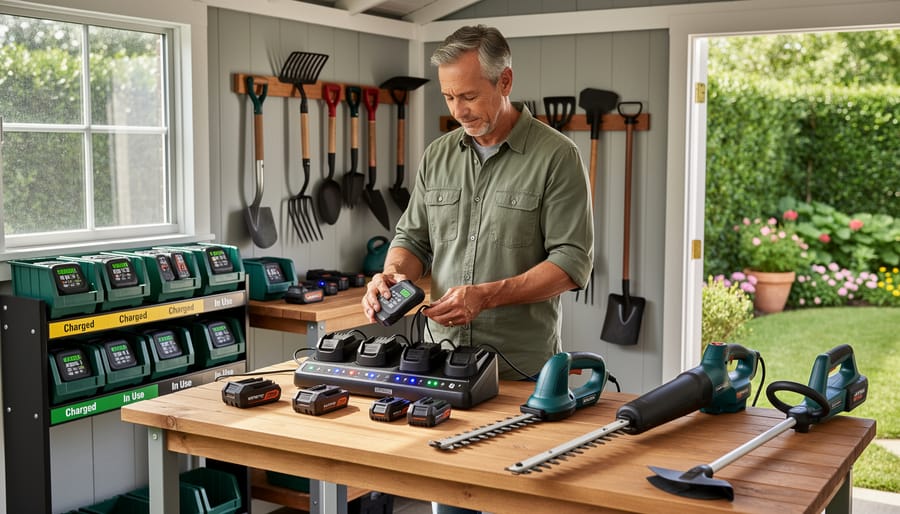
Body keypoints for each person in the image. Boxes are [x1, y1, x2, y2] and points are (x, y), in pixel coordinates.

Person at [361, 25, 593, 512]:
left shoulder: (557, 157)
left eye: (468, 95)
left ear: (504, 82)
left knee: (516, 500)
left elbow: (571, 264)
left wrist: (485, 295)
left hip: (520, 376)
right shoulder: (438, 155)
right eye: (448, 97)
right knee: (450, 502)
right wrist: (393, 273)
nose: (457, 110)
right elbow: (411, 238)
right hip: (443, 368)